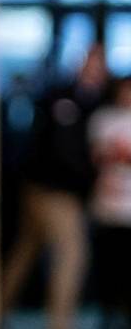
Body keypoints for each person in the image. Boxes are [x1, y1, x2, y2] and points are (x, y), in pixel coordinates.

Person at [2, 45, 109, 329]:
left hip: (59, 190)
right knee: (72, 253)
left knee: (25, 253)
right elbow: (65, 150)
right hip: (50, 189)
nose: (94, 70)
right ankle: (60, 323)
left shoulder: (96, 102)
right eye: (91, 63)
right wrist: (89, 174)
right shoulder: (63, 97)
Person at [89, 77, 131, 324]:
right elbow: (95, 156)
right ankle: (109, 313)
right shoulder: (103, 118)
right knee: (109, 265)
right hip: (109, 205)